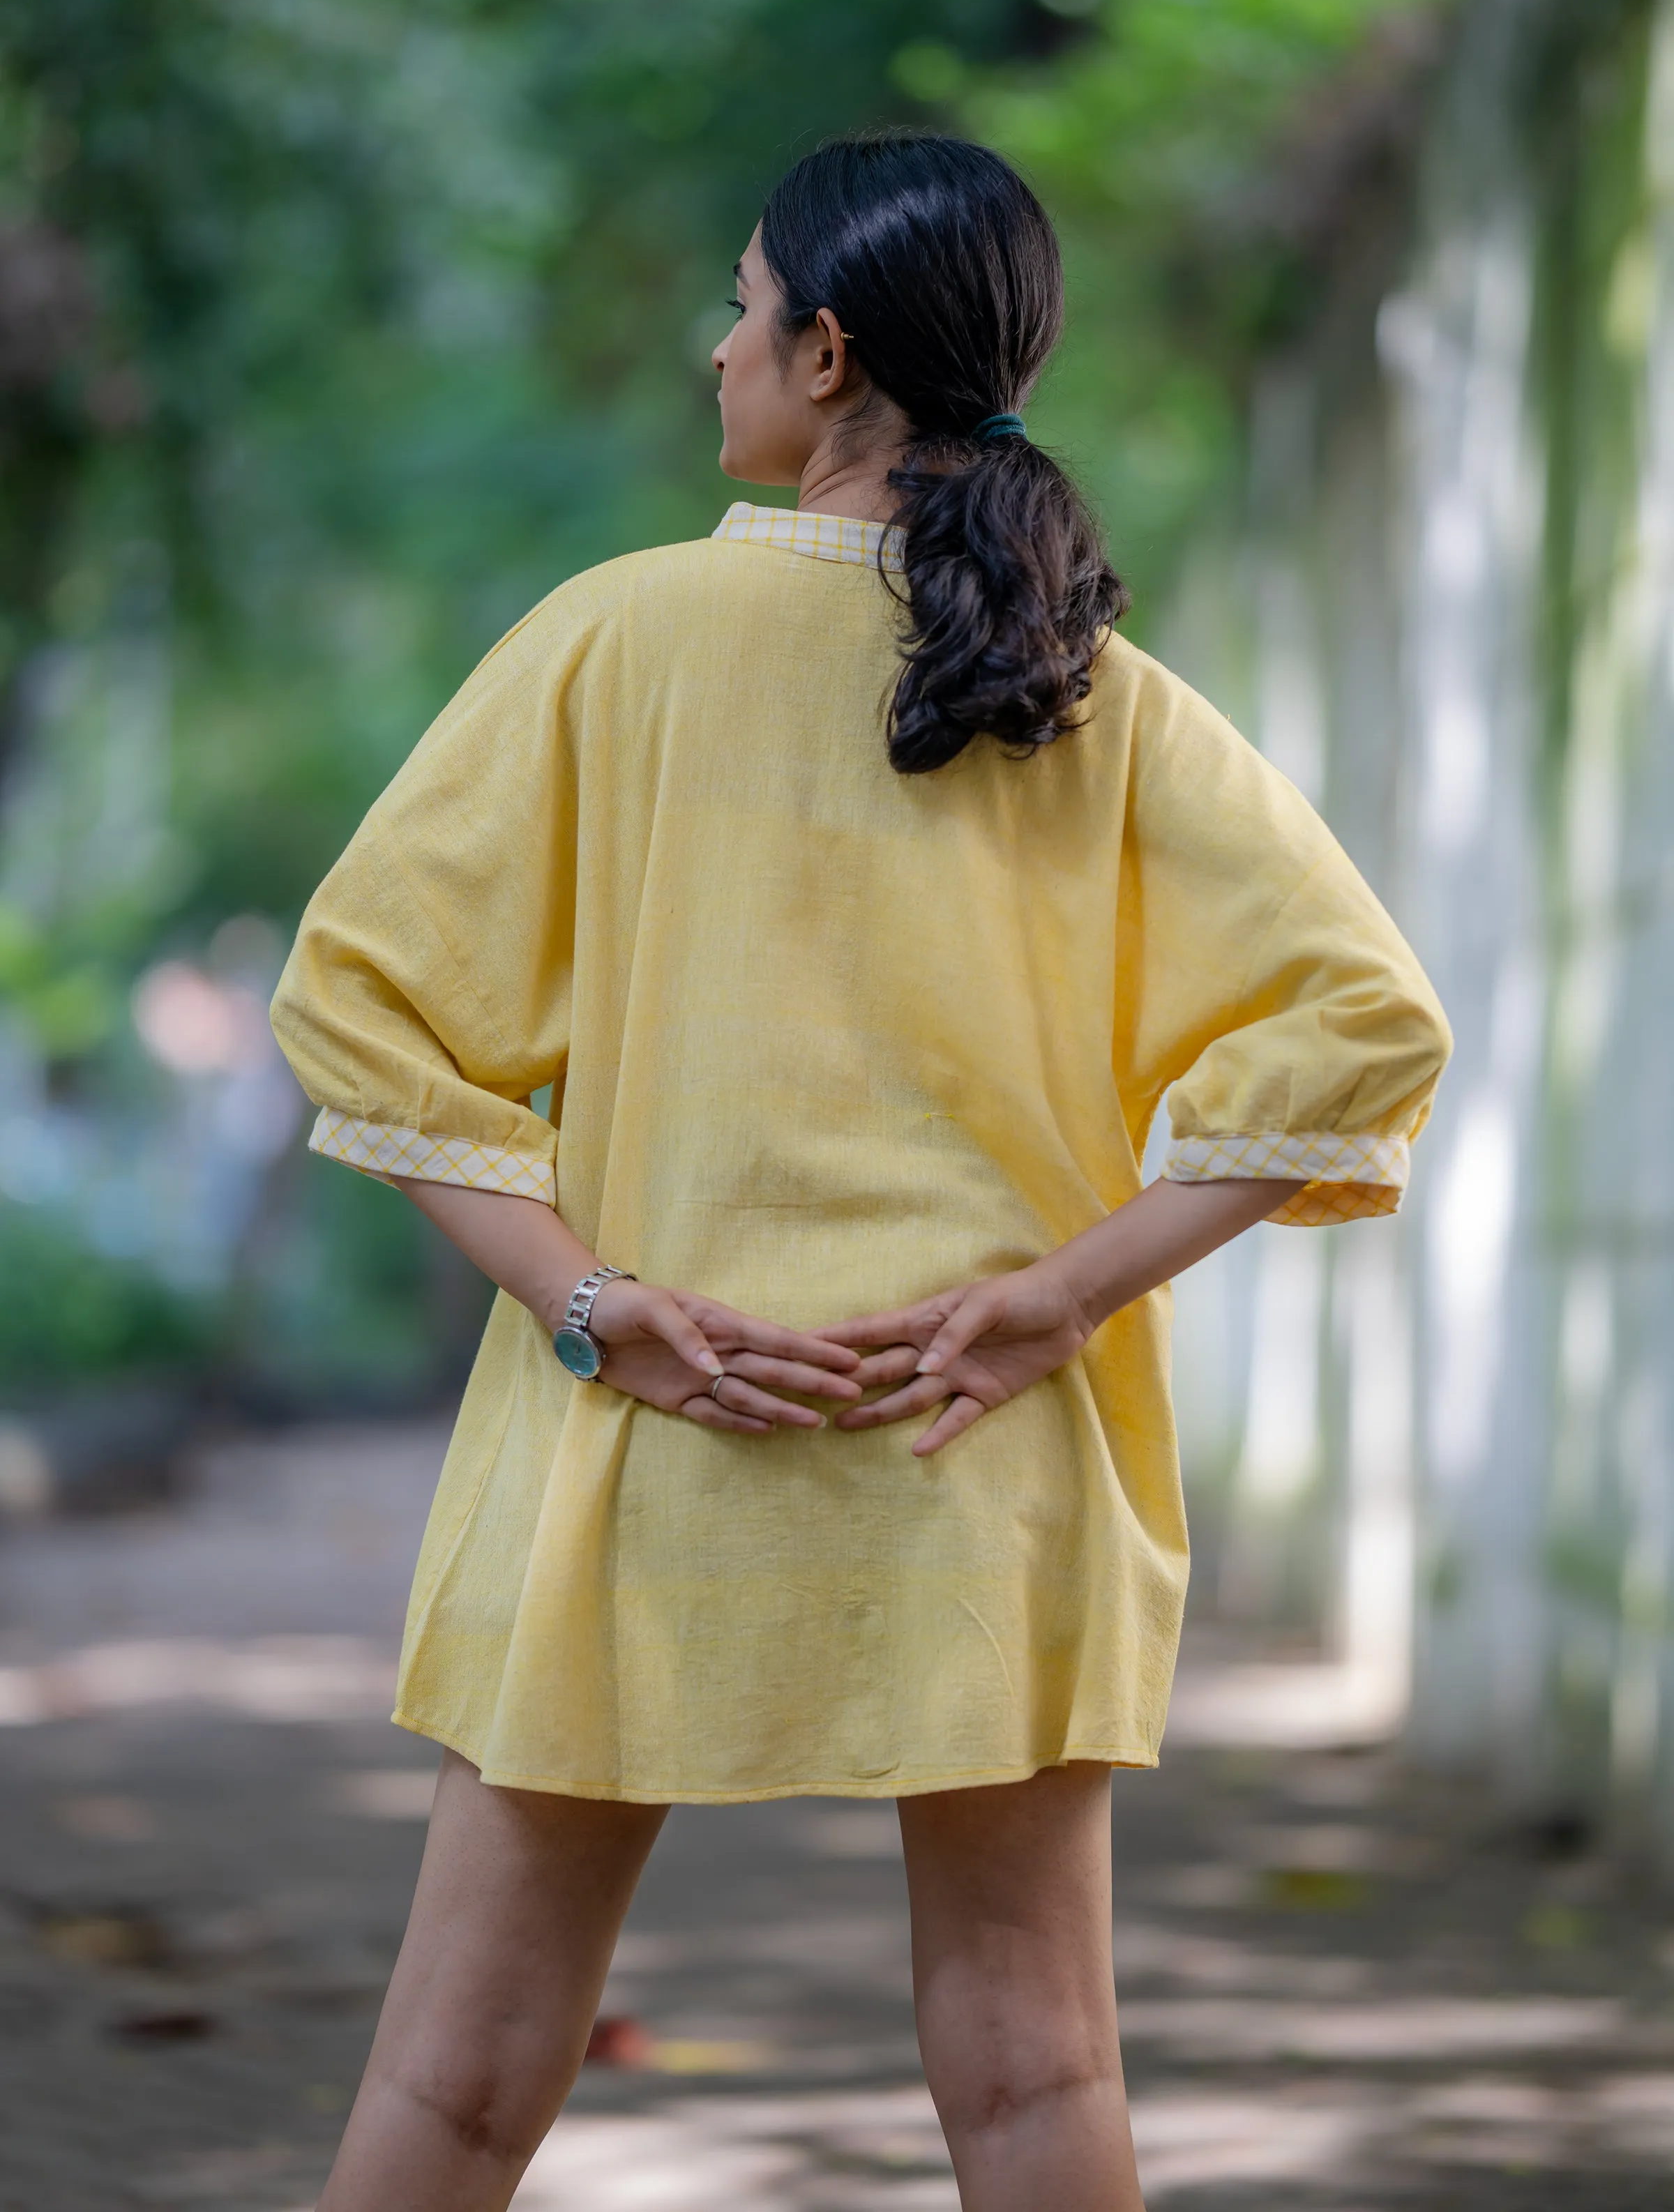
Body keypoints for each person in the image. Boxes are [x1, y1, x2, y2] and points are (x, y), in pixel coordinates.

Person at [271, 131, 1450, 2212]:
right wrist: (1070, 1294)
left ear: (825, 352)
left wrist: (587, 1301)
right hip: (973, 1444)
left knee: (458, 2084)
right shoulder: (1092, 699)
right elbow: (1368, 1023)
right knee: (1035, 2078)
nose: (714, 349)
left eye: (740, 305)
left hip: (640, 1437)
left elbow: (363, 1007)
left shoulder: (609, 648)